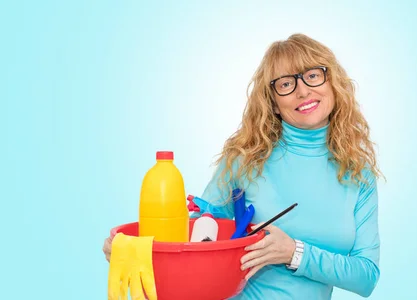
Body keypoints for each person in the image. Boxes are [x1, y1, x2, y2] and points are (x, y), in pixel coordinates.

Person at [104, 33, 383, 299]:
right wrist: (136, 249)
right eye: (286, 84)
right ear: (273, 102)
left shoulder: (358, 173)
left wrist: (294, 253)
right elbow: (196, 237)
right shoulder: (246, 160)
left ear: (332, 83)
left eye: (312, 76)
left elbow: (366, 277)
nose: (303, 91)